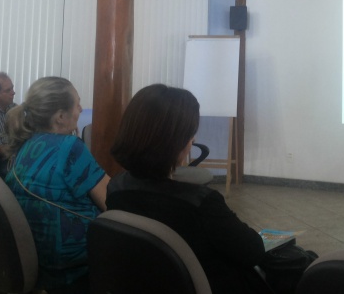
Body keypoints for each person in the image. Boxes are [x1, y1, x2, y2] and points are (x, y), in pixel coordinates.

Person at [107, 84, 272, 294]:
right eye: (189, 134)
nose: (193, 139)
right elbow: (253, 251)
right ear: (174, 141)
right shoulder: (201, 203)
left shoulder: (116, 188)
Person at [4, 76, 109, 294]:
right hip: (76, 265)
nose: (81, 109)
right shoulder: (69, 146)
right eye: (77, 104)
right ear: (60, 116)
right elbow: (112, 202)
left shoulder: (26, 144)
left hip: (40, 259)